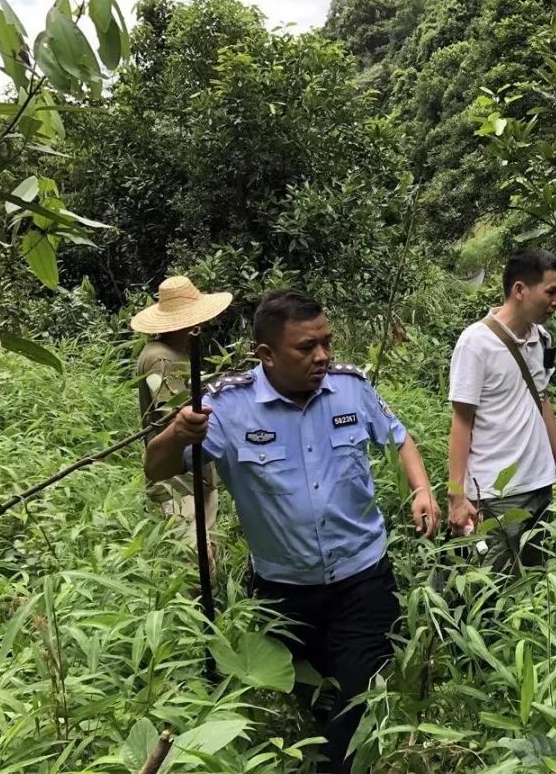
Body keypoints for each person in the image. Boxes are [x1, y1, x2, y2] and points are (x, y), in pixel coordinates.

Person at [144, 289, 441, 774]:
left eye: (326, 342)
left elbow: (399, 435)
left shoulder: (351, 387)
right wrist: (177, 432)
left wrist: (422, 487)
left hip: (362, 579)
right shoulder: (228, 405)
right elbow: (156, 469)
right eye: (307, 347)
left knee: (355, 706)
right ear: (266, 354)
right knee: (314, 706)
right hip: (284, 594)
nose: (322, 356)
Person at [447, 250, 556, 573]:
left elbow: (542, 399)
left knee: (535, 582)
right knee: (487, 587)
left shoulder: (543, 339)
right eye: (551, 291)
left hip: (540, 485)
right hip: (496, 492)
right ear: (520, 290)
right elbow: (461, 422)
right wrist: (456, 495)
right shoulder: (475, 343)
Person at [131, 276, 232, 573]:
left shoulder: (175, 353)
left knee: (207, 555)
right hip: (177, 480)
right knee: (192, 567)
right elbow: (170, 414)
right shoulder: (160, 359)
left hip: (194, 475)